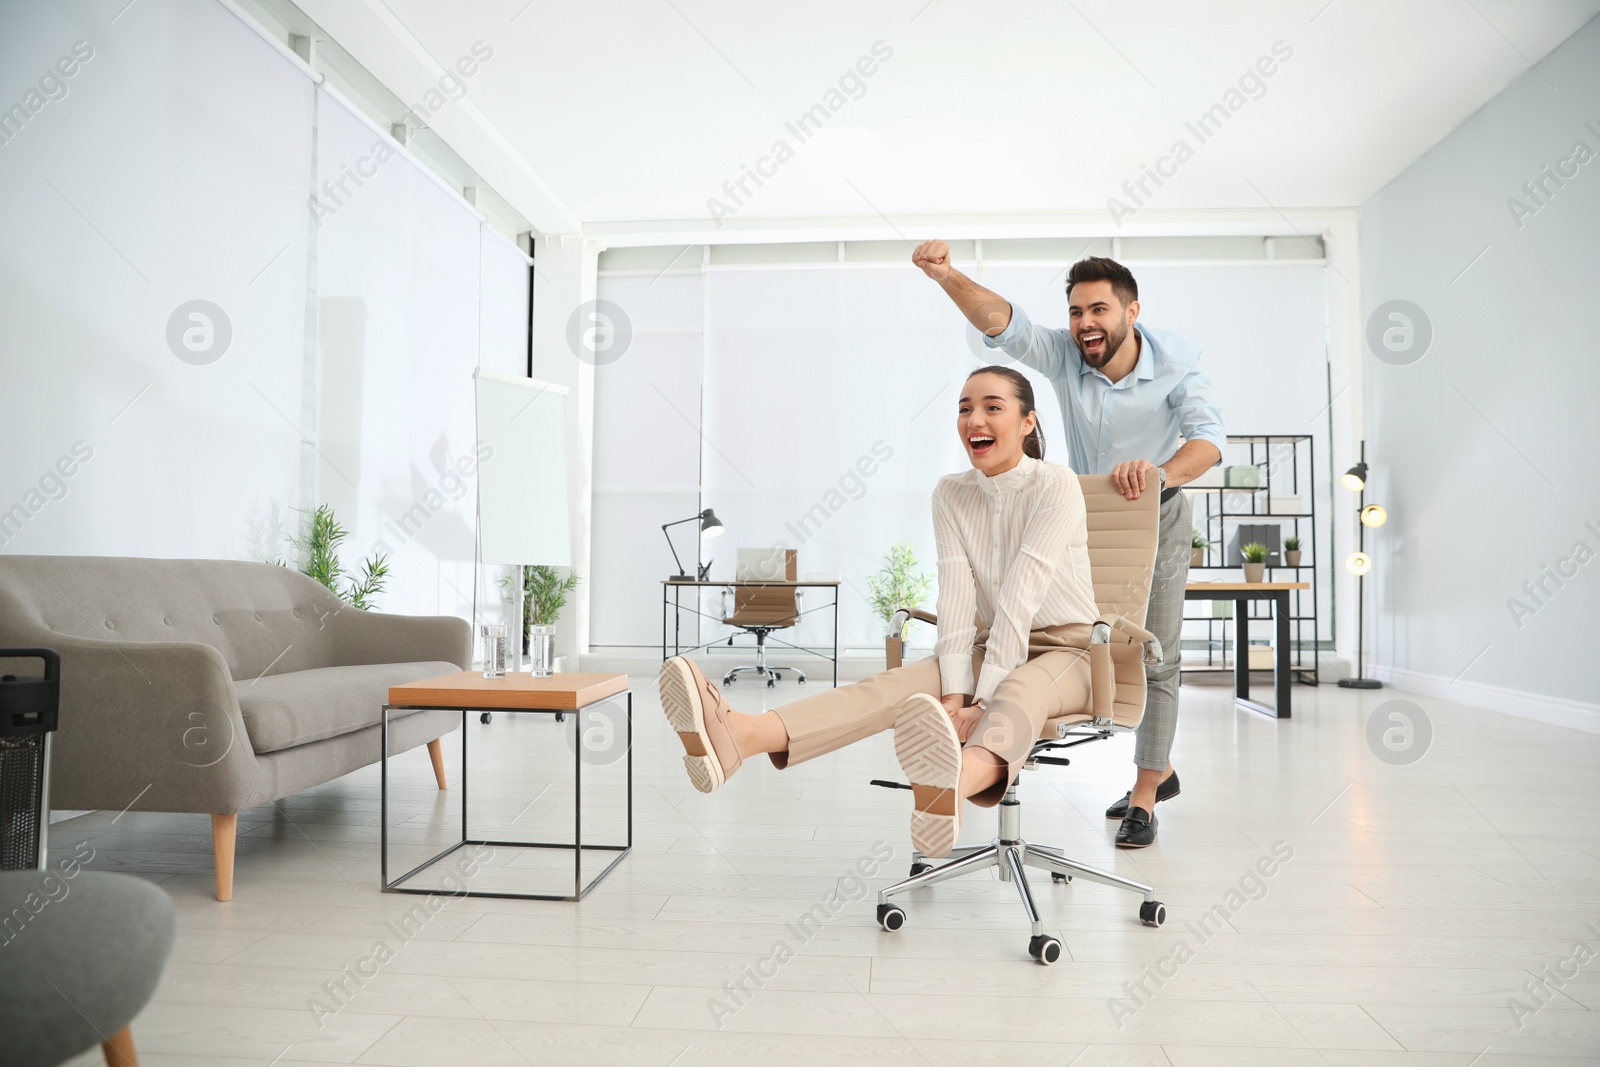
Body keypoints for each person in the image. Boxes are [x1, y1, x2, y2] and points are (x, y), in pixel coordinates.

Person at [657, 367, 1101, 859]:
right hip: (989, 643)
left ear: (1026, 423)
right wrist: (955, 696)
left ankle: (950, 784)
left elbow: (1022, 592)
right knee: (897, 685)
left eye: (993, 407)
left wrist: (981, 703)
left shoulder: (1056, 484)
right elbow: (954, 599)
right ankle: (742, 736)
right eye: (964, 408)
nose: (974, 418)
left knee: (1018, 690)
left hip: (1071, 650)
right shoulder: (951, 493)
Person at [912, 243, 1225, 848]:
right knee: (1067, 639)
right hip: (1078, 515)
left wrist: (1160, 472)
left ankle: (1144, 793)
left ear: (1132, 313)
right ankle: (1010, 744)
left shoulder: (1179, 365)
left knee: (1152, 652)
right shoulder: (1065, 355)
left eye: (1100, 310)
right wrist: (947, 275)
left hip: (1155, 513)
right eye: (1078, 310)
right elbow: (1005, 323)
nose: (1086, 322)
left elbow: (1209, 439)